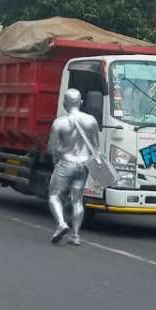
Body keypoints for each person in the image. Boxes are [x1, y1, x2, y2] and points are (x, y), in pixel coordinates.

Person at [47, 88, 100, 246]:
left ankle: (61, 224)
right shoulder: (91, 121)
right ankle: (75, 235)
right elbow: (95, 148)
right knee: (77, 200)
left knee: (54, 195)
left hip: (66, 162)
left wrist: (57, 162)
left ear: (64, 103)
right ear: (81, 102)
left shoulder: (59, 123)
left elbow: (52, 148)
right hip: (83, 165)